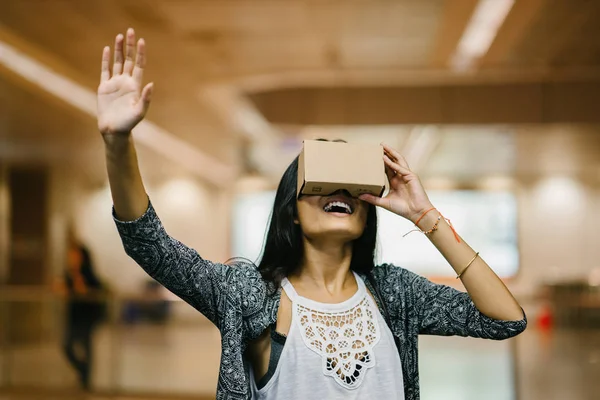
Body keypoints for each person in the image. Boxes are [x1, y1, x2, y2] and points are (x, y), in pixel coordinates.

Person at [98, 28, 527, 400]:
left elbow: (506, 320)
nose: (339, 191)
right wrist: (118, 143)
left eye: (352, 185)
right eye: (321, 182)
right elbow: (150, 245)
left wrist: (424, 214)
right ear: (294, 211)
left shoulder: (395, 293)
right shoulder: (250, 296)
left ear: (367, 211)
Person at [56, 228, 106, 390]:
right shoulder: (68, 274)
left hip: (87, 316)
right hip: (74, 315)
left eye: (74, 255)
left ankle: (86, 381)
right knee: (68, 346)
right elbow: (64, 291)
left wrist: (78, 282)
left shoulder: (89, 274)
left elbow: (89, 290)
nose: (71, 259)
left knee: (86, 346)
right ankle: (83, 371)